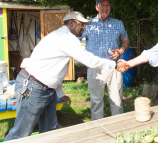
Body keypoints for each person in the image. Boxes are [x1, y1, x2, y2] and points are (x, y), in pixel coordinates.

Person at [4, 11, 128, 141]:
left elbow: (55, 69)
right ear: (71, 23)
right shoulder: (66, 38)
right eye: (81, 24)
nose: (84, 27)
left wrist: (59, 93)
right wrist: (114, 65)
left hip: (46, 89)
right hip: (33, 87)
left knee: (49, 130)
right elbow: (89, 60)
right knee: (21, 133)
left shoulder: (62, 36)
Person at [79, 0, 130, 121]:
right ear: (97, 7)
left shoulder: (118, 24)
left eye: (108, 5)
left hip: (114, 67)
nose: (105, 8)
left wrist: (121, 51)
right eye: (102, 5)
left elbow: (126, 40)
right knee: (96, 103)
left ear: (110, 7)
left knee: (117, 101)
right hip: (95, 68)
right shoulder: (88, 24)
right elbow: (74, 42)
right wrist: (84, 59)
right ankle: (98, 133)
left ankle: (118, 130)